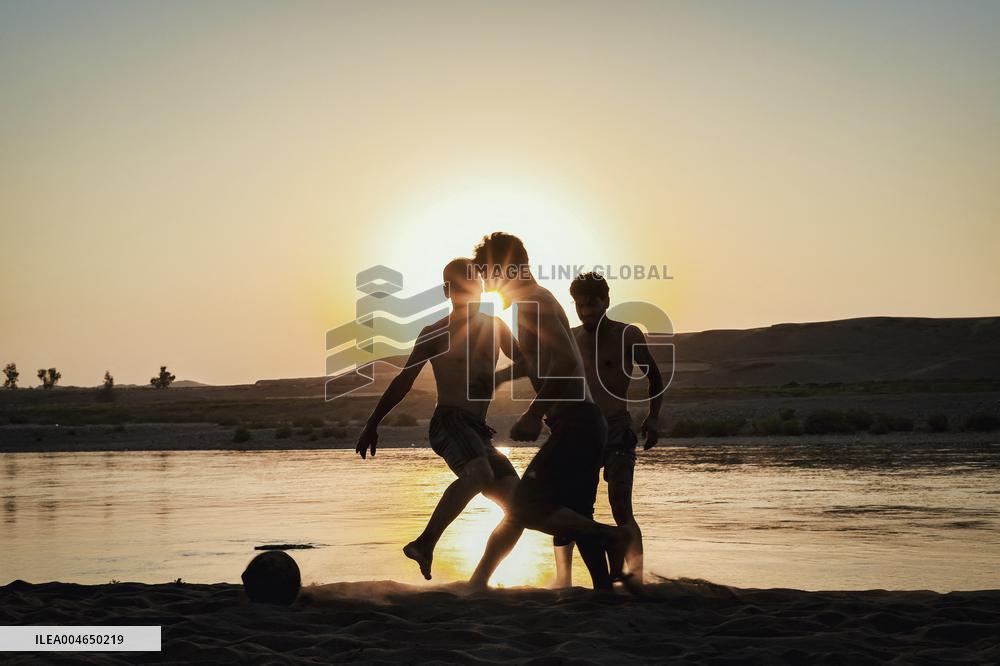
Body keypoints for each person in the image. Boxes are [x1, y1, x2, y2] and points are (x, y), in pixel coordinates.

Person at [468, 232, 631, 590]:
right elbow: (542, 360)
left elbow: (566, 364)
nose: (485, 283)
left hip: (577, 422)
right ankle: (605, 590)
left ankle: (613, 537)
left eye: (486, 274)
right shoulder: (534, 301)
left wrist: (531, 413)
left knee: (525, 505)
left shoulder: (532, 303)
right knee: (575, 511)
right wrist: (501, 377)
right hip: (581, 422)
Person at [355, 257, 523, 586]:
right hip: (449, 422)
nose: (466, 290)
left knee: (521, 507)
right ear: (447, 291)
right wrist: (373, 422)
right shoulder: (435, 333)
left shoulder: (496, 327)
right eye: (457, 285)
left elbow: (531, 361)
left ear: (481, 287)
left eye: (472, 282)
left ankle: (478, 582)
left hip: (479, 431)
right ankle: (425, 542)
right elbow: (403, 381)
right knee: (479, 474)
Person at [547, 272, 663, 586]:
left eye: (593, 304)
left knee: (621, 504)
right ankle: (563, 581)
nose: (587, 312)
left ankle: (635, 578)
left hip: (616, 430)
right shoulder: (570, 339)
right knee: (569, 510)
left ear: (606, 302)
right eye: (581, 306)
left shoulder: (627, 335)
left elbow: (654, 377)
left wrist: (653, 418)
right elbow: (557, 384)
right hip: (578, 432)